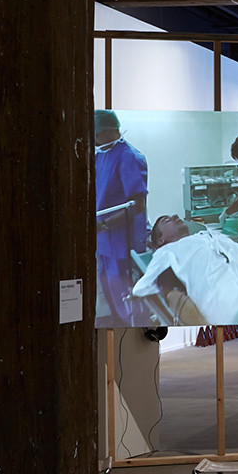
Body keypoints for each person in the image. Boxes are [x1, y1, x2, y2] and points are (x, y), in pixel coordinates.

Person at [94, 110, 148, 327]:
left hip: (122, 241)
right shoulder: (101, 154)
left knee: (126, 299)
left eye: (95, 134)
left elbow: (137, 205)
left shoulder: (129, 157)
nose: (93, 140)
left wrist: (104, 224)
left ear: (108, 131)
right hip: (103, 241)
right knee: (109, 292)